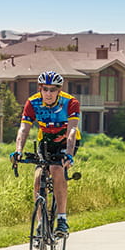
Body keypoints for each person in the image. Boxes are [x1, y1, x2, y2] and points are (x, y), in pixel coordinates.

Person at [10, 71, 80, 235]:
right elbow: (24, 129)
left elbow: (72, 131)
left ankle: (62, 219)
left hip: (66, 142)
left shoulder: (70, 102)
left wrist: (68, 154)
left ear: (59, 90)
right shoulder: (32, 102)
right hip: (46, 141)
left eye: (53, 89)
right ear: (40, 88)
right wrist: (18, 150)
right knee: (38, 177)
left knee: (57, 170)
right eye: (45, 89)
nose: (48, 93)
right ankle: (41, 223)